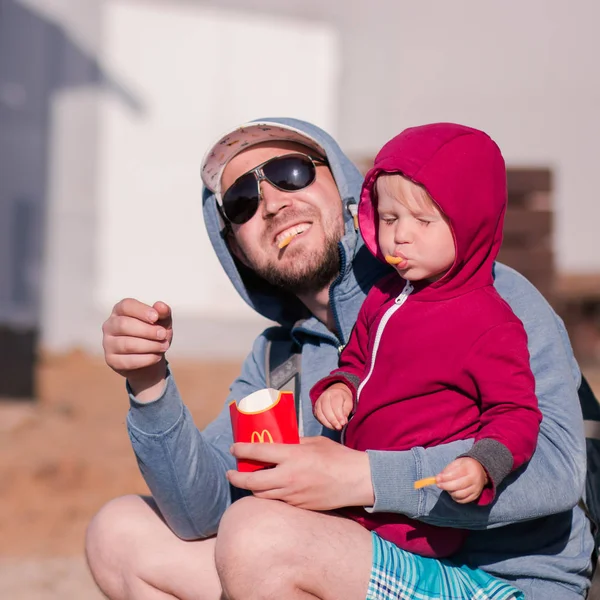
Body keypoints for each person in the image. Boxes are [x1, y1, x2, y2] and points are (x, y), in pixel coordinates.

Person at [85, 117, 595, 600]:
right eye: (241, 201)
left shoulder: (476, 290)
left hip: (498, 582)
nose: (272, 204)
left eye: (291, 172)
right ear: (237, 251)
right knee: (120, 533)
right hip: (345, 565)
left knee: (260, 535)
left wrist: (360, 477)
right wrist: (148, 383)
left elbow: (555, 467)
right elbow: (203, 514)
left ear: (350, 190)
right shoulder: (277, 360)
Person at [310, 124, 542, 577]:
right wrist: (341, 386)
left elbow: (516, 412)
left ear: (468, 221)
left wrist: (482, 464)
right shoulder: (384, 295)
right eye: (391, 219)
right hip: (355, 502)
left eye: (424, 221)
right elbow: (357, 361)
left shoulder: (489, 323)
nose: (401, 237)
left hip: (417, 525)